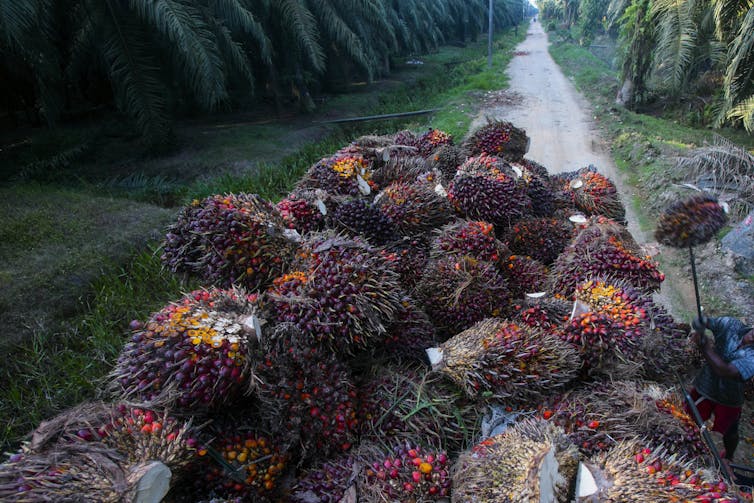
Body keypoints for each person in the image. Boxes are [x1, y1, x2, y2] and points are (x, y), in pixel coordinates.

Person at [688, 315, 754, 460]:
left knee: (727, 433)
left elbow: (725, 370)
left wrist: (705, 346)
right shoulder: (730, 324)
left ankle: (728, 456)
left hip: (729, 398)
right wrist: (700, 323)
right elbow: (708, 321)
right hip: (705, 386)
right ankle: (687, 447)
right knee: (687, 419)